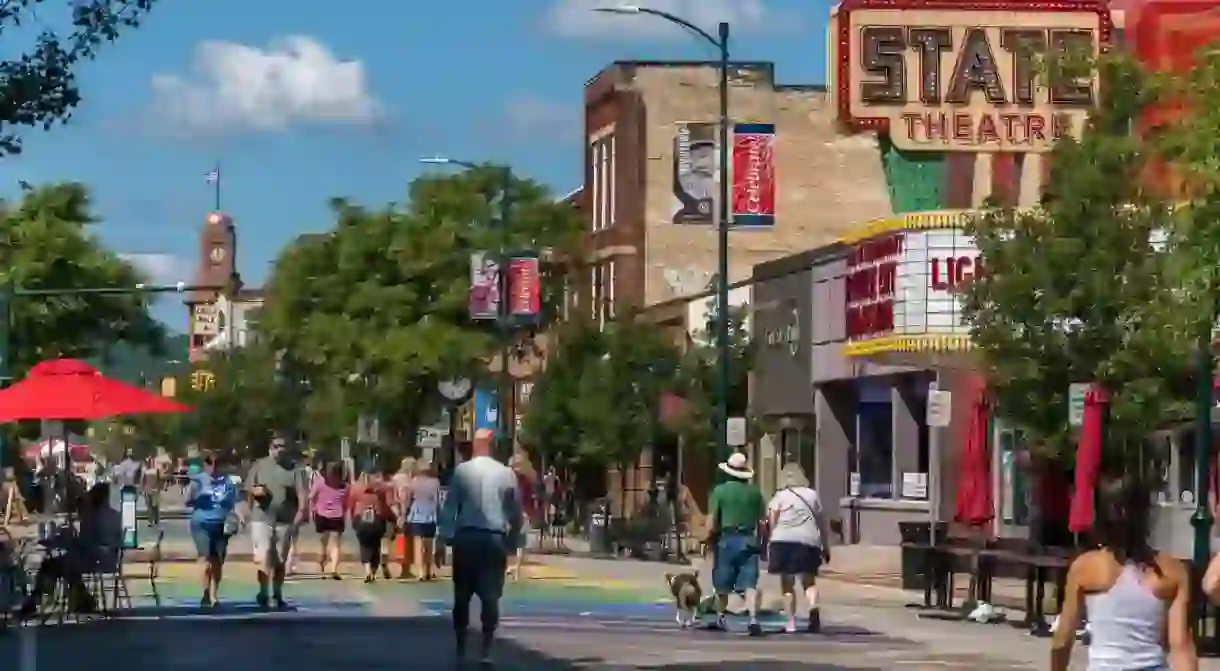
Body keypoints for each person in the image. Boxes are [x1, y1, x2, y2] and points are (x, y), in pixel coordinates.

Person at [1051, 474, 1196, 671]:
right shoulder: (1172, 571)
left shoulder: (1084, 567)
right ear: (1147, 515)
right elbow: (1181, 647)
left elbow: (1062, 641)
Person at [440, 428, 523, 665]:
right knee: (490, 597)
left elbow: (450, 506)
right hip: (493, 539)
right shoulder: (506, 473)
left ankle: (461, 644)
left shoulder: (462, 471)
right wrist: (515, 538)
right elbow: (515, 510)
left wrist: (445, 535)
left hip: (466, 537)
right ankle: (486, 649)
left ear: (475, 445)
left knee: (462, 595)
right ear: (492, 445)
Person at [765, 463, 832, 633]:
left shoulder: (780, 496)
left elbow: (772, 519)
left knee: (787, 584)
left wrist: (771, 539)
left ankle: (790, 622)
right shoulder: (812, 495)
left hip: (783, 540)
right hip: (808, 541)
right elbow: (822, 522)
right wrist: (826, 545)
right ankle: (813, 609)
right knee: (809, 581)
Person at [706, 452, 765, 636]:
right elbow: (762, 522)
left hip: (726, 539)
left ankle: (720, 617)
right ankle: (753, 619)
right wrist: (761, 542)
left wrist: (707, 539)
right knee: (750, 584)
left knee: (722, 581)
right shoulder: (756, 493)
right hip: (749, 539)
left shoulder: (719, 491)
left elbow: (712, 519)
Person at [245, 437, 308, 610]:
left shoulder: (295, 469)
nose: (279, 450)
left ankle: (277, 592)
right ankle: (263, 592)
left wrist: (299, 516)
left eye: (282, 447)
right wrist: (254, 491)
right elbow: (248, 488)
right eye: (276, 446)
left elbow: (302, 495)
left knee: (279, 560)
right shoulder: (259, 465)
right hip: (261, 518)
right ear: (270, 448)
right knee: (264, 555)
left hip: (284, 520)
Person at [186, 453, 239, 607]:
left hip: (221, 523)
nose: (213, 466)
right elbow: (188, 501)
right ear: (205, 464)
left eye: (217, 462)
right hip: (201, 522)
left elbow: (233, 503)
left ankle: (214, 593)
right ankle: (205, 594)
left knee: (217, 561)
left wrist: (240, 518)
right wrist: (197, 498)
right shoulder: (198, 480)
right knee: (205, 559)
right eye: (210, 462)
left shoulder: (228, 481)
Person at [350, 470, 394, 583]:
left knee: (364, 544)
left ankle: (367, 569)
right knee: (376, 545)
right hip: (377, 519)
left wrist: (353, 520)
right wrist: (392, 518)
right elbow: (386, 507)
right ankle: (373, 571)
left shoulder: (356, 488)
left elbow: (351, 505)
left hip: (361, 519)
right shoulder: (381, 489)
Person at [307, 462, 348, 580]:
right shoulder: (345, 487)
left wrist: (313, 509)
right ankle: (333, 569)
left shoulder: (320, 484)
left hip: (321, 516)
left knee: (323, 544)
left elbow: (311, 497)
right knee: (335, 545)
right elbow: (345, 504)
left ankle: (322, 567)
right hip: (337, 517)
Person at [405, 459, 442, 581]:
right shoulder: (435, 482)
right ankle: (428, 570)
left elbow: (408, 499)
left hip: (417, 514)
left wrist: (405, 512)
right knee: (429, 544)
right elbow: (438, 500)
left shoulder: (413, 482)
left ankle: (420, 571)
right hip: (430, 514)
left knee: (418, 543)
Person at [507, 454, 537, 581]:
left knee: (514, 542)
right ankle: (514, 569)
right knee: (518, 543)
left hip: (515, 513)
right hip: (519, 513)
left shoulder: (510, 480)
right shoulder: (525, 480)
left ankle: (514, 569)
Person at [391, 456, 417, 579]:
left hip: (395, 511)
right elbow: (404, 498)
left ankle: (403, 567)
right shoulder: (406, 480)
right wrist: (403, 514)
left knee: (400, 540)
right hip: (405, 513)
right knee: (406, 541)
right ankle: (405, 569)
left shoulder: (395, 478)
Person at [141, 457, 163, 526]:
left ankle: (151, 520)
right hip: (155, 490)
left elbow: (143, 481)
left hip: (148, 490)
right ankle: (156, 520)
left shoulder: (146, 471)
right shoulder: (156, 470)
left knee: (149, 506)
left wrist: (142, 489)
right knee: (155, 506)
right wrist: (159, 488)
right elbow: (159, 481)